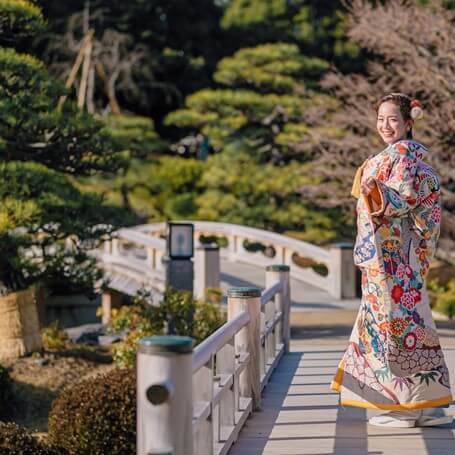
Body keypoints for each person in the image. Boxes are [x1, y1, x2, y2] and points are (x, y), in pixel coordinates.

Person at [331, 93, 453, 428]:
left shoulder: (403, 155)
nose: (385, 126)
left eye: (393, 119)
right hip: (399, 259)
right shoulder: (402, 156)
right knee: (412, 324)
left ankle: (403, 408)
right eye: (381, 119)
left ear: (409, 123)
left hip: (391, 258)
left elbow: (402, 200)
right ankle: (426, 403)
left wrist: (376, 191)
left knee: (390, 326)